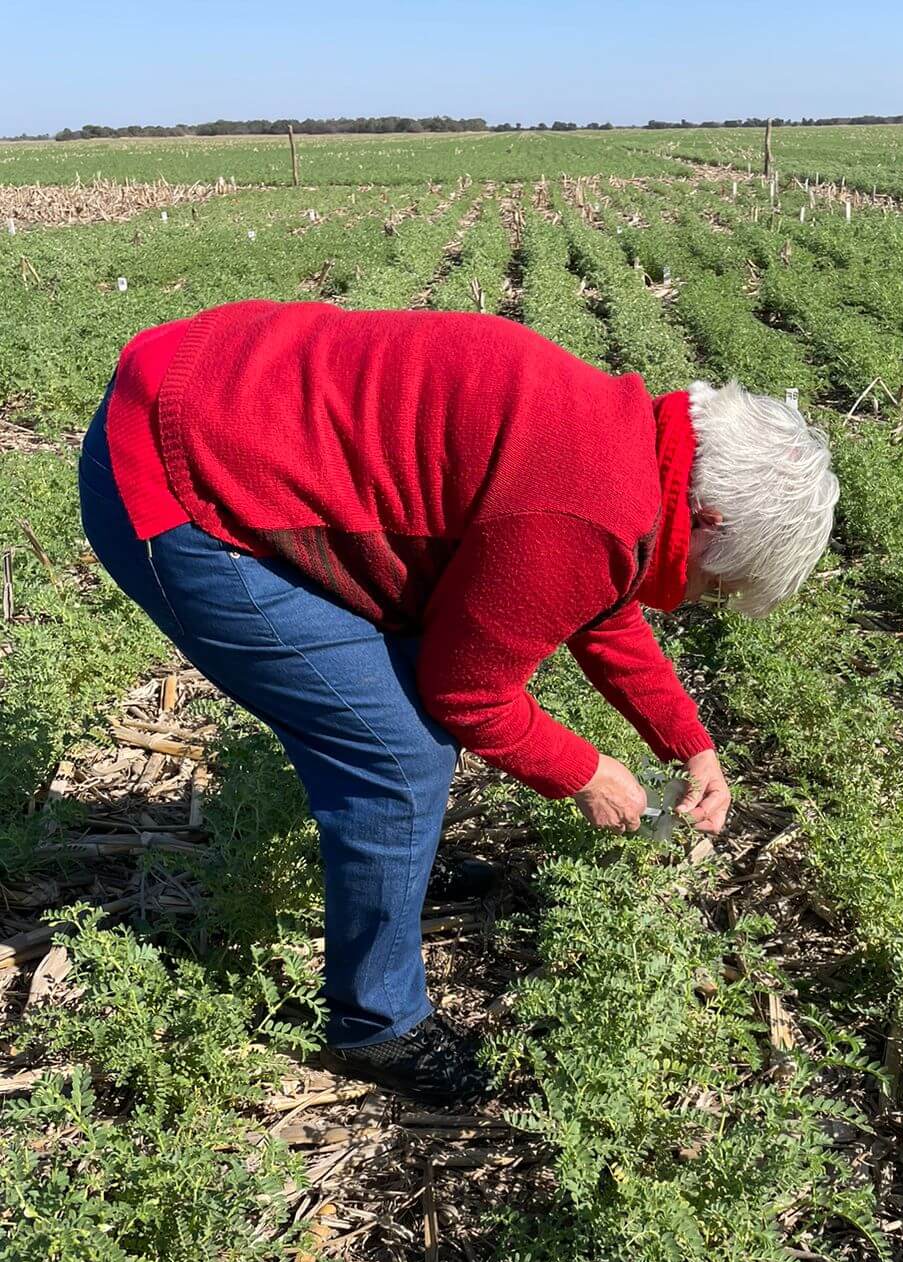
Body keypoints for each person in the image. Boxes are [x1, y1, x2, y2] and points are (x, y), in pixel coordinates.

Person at [78, 300, 839, 1105]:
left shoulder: (628, 452)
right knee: (399, 756)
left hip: (214, 388)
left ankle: (392, 867)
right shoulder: (584, 512)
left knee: (399, 698)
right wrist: (585, 773)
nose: (700, 602)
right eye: (718, 587)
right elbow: (467, 693)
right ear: (709, 517)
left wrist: (690, 742)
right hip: (177, 477)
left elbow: (599, 599)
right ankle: (378, 1026)